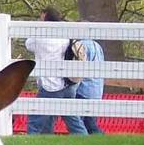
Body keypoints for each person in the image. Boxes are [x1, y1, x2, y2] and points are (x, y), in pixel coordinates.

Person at [24, 7, 85, 135]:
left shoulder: (41, 38)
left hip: (50, 85)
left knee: (35, 119)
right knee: (72, 119)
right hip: (67, 83)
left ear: (45, 16)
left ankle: (30, 143)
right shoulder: (64, 36)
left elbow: (28, 44)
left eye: (42, 14)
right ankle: (84, 139)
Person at [73, 37, 105, 134]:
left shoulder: (81, 46)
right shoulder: (97, 46)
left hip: (84, 90)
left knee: (81, 123)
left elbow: (79, 69)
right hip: (96, 90)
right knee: (89, 122)